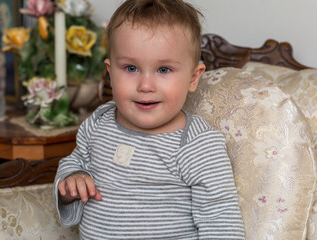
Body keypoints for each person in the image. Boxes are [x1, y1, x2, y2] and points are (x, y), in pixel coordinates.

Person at [54, 0, 246, 239]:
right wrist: (70, 182)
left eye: (164, 70)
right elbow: (76, 161)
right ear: (110, 72)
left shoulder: (196, 144)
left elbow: (221, 223)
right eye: (131, 68)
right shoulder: (99, 122)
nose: (145, 86)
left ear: (193, 78)